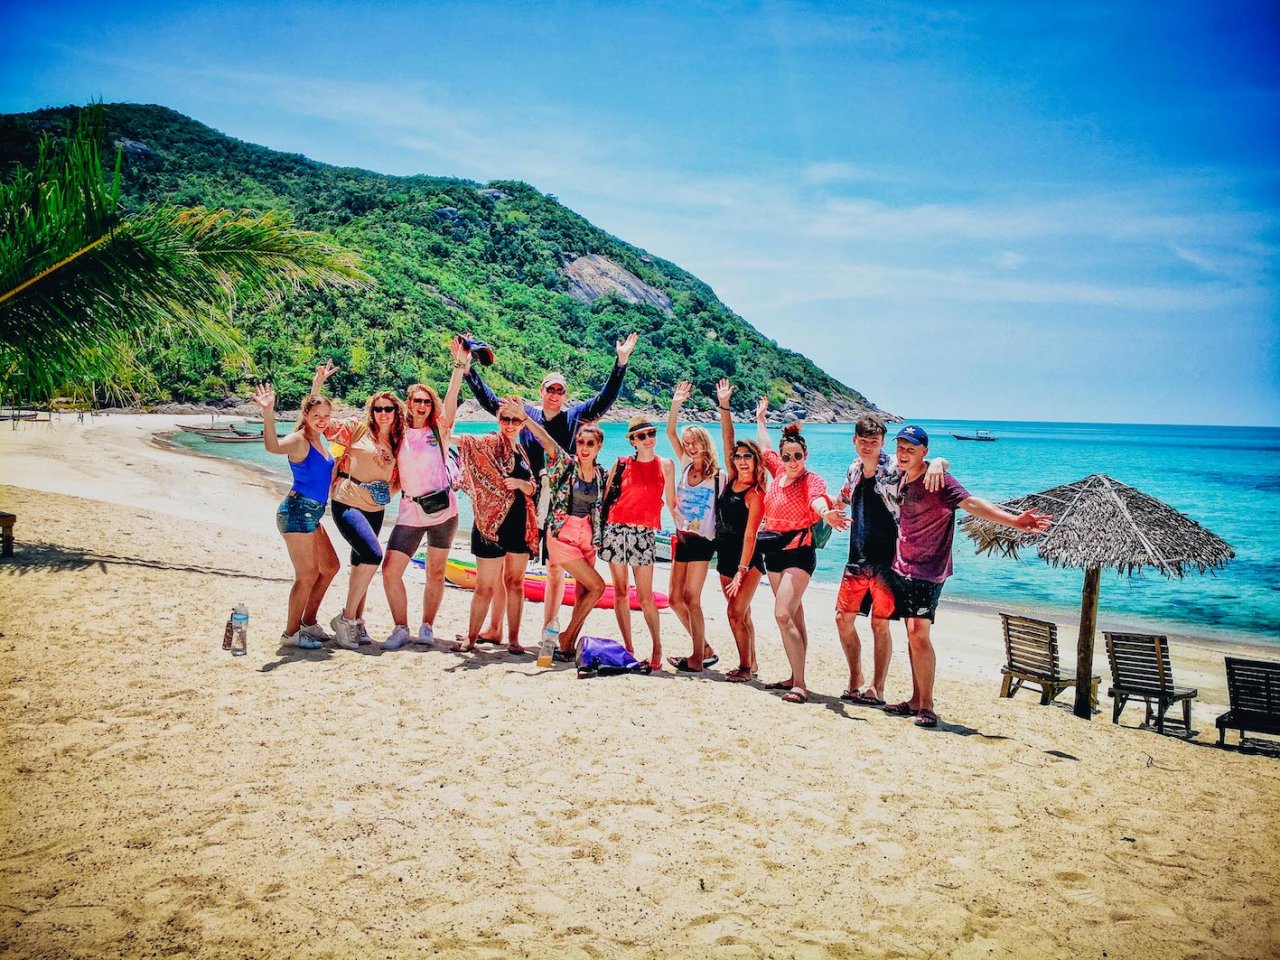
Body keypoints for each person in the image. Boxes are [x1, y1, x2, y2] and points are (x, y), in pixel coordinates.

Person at [458, 332, 638, 640]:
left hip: (556, 502)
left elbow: (604, 400)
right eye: (550, 388)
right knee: (507, 568)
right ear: (541, 391)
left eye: (560, 390)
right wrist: (468, 371)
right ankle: (495, 628)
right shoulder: (524, 413)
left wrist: (620, 363)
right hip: (519, 497)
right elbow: (491, 402)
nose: (555, 394)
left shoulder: (574, 417)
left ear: (565, 394)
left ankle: (548, 633)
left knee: (555, 568)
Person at [882, 425, 1052, 728]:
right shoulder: (902, 475)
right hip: (903, 566)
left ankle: (928, 705)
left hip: (929, 570)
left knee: (919, 634)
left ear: (924, 450)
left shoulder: (941, 481)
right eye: (901, 447)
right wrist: (940, 460)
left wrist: (1013, 521)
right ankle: (915, 699)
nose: (904, 452)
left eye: (911, 448)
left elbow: (972, 503)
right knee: (911, 634)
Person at [832, 417, 945, 706]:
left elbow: (931, 465)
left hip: (888, 560)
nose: (868, 446)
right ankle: (855, 678)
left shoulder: (895, 467)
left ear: (882, 444)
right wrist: (827, 512)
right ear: (854, 441)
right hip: (857, 557)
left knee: (879, 624)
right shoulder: (854, 469)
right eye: (863, 440)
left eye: (874, 441)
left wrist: (937, 463)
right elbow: (841, 499)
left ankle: (876, 688)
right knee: (842, 619)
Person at [444, 347, 539, 654]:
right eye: (506, 419)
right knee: (485, 586)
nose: (510, 424)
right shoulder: (487, 443)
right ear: (499, 420)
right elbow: (455, 439)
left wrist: (522, 484)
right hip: (488, 525)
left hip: (519, 526)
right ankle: (472, 638)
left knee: (515, 583)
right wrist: (460, 369)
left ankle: (512, 639)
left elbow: (533, 488)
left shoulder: (524, 452)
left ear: (523, 423)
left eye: (516, 420)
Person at [308, 362, 403, 650]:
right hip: (347, 501)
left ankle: (357, 621)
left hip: (376, 509)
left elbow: (401, 476)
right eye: (378, 409)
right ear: (371, 412)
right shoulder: (356, 429)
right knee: (373, 555)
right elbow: (320, 423)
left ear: (397, 413)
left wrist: (389, 491)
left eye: (388, 409)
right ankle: (346, 619)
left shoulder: (399, 443)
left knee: (360, 563)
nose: (383, 414)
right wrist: (318, 384)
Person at [754, 399, 838, 704]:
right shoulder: (777, 473)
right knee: (795, 615)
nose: (791, 461)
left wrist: (827, 514)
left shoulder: (810, 479)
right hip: (774, 551)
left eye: (797, 456)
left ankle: (800, 684)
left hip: (799, 552)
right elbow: (766, 449)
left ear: (806, 455)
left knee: (782, 614)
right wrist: (761, 419)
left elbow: (818, 500)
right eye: (787, 456)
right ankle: (793, 674)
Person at [252, 383, 339, 650]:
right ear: (305, 416)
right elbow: (272, 446)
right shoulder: (299, 440)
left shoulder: (318, 438)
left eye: (326, 415)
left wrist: (318, 383)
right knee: (307, 574)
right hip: (297, 511)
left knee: (331, 567)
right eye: (316, 416)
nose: (322, 421)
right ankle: (291, 634)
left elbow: (312, 404)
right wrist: (268, 412)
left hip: (312, 513)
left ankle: (308, 623)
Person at [379, 379, 459, 650]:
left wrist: (459, 368)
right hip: (410, 512)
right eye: (417, 401)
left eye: (427, 401)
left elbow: (451, 403)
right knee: (390, 570)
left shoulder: (438, 431)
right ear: (408, 404)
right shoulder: (397, 434)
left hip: (443, 511)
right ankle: (401, 627)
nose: (422, 406)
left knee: (435, 573)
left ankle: (427, 626)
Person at [519, 417, 608, 659]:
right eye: (581, 442)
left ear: (599, 446)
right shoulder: (566, 465)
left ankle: (569, 646)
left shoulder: (601, 474)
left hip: (587, 538)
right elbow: (547, 442)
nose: (585, 447)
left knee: (584, 594)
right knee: (598, 587)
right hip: (562, 536)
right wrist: (525, 419)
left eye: (590, 443)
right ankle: (566, 636)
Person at [598, 416, 678, 671]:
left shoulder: (666, 464)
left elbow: (672, 502)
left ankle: (657, 646)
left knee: (645, 597)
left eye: (651, 433)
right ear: (633, 441)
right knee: (620, 592)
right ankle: (628, 647)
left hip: (644, 534)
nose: (649, 438)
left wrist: (684, 530)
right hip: (616, 529)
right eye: (642, 435)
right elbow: (604, 500)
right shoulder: (621, 464)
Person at [663, 381, 721, 672]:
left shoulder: (717, 475)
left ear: (705, 442)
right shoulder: (685, 464)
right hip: (681, 537)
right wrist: (676, 403)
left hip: (702, 540)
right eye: (687, 442)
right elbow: (670, 432)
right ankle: (705, 648)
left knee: (691, 599)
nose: (689, 445)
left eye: (694, 441)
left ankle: (697, 658)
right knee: (674, 599)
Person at [714, 379, 767, 682]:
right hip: (725, 556)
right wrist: (725, 405)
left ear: (756, 460)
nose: (742, 460)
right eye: (738, 456)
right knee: (742, 613)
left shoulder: (755, 492)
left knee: (734, 613)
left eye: (748, 456)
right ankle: (753, 662)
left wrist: (741, 570)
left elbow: (751, 534)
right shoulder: (733, 478)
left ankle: (745, 667)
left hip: (747, 560)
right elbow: (727, 438)